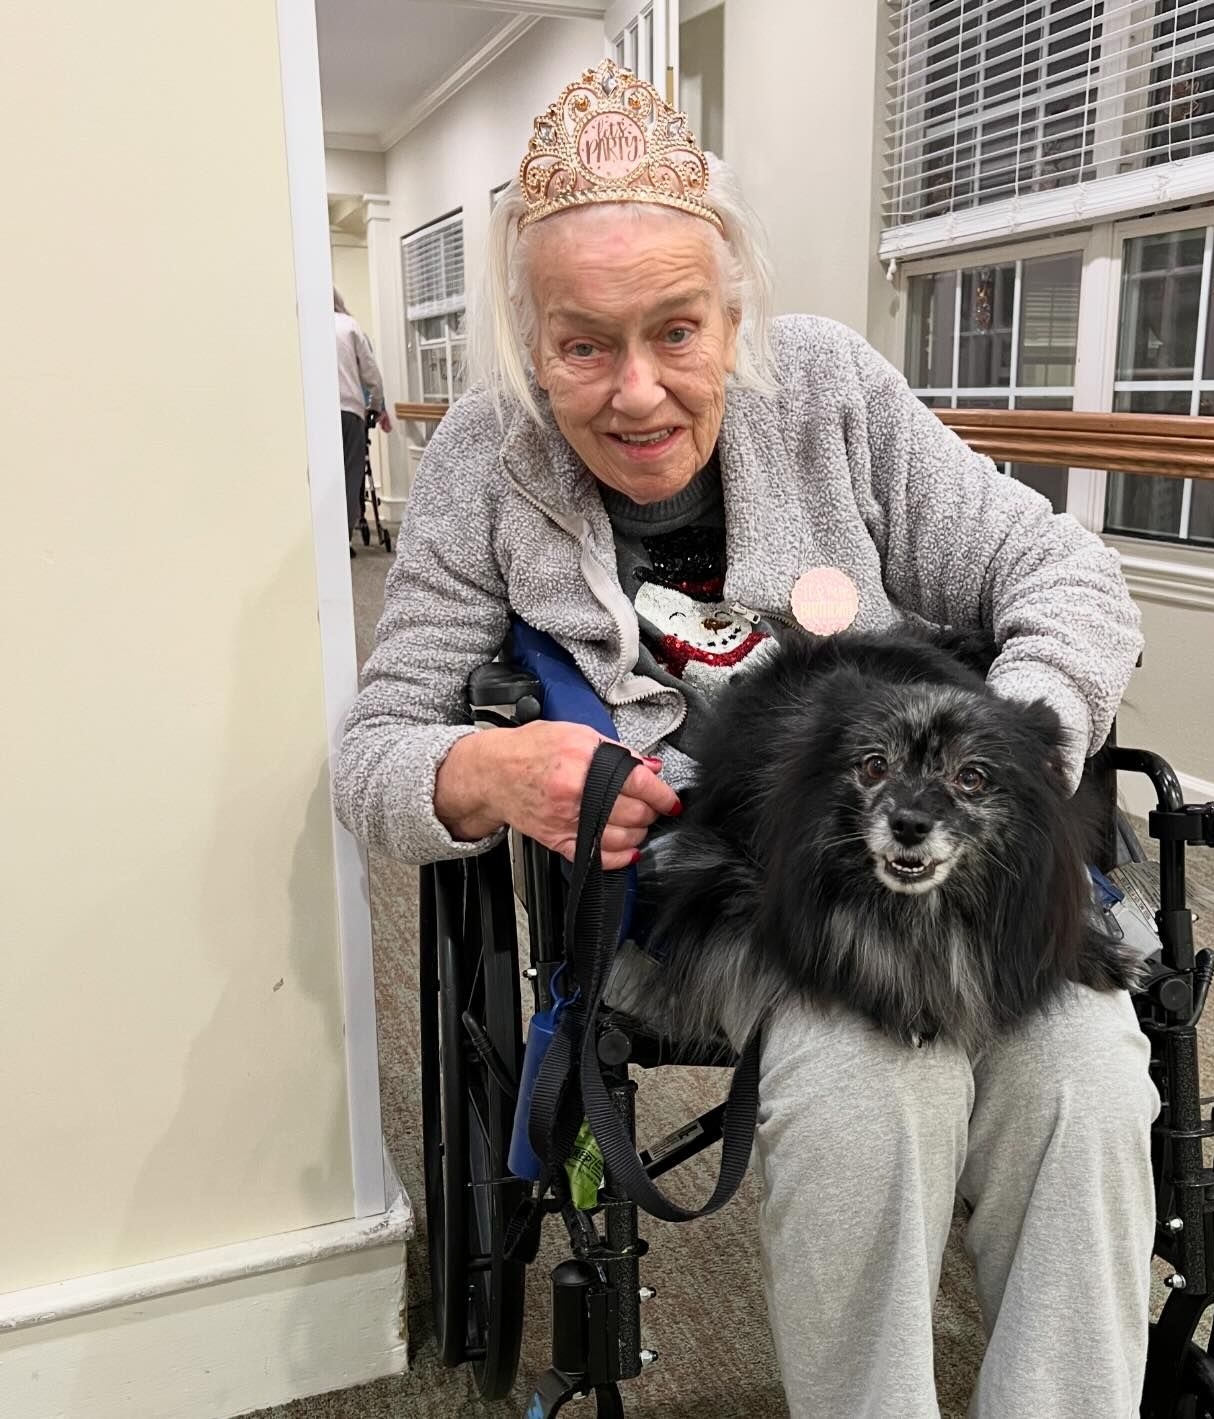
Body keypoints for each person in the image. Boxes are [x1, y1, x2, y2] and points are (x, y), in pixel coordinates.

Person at [334, 59, 1157, 1419]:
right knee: (872, 1079)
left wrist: (1012, 766)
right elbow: (376, 750)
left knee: (1088, 1072)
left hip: (939, 854)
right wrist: (483, 770)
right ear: (528, 342)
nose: (638, 392)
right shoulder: (484, 462)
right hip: (705, 900)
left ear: (735, 315)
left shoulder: (826, 388)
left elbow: (1069, 579)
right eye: (582, 345)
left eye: (678, 331)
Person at [334, 287, 392, 551]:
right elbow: (371, 374)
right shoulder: (349, 326)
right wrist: (377, 406)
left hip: (315, 415)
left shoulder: (305, 327)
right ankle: (341, 540)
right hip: (349, 410)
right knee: (350, 475)